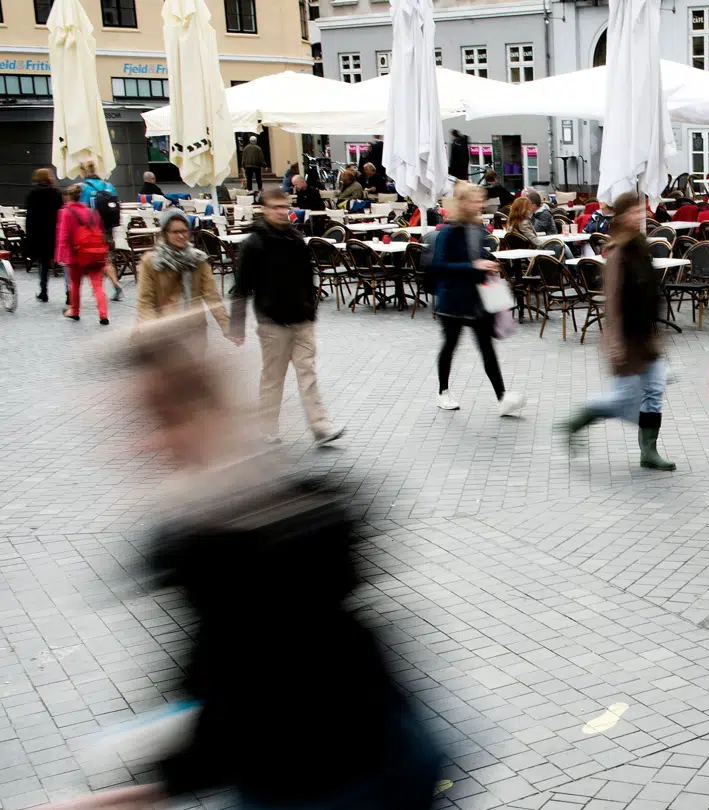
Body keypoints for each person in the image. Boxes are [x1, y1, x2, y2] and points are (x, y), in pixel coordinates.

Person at [56, 310, 439, 810]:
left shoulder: (248, 536)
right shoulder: (226, 524)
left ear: (205, 411)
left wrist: (154, 786)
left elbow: (263, 695)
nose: (136, 446)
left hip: (330, 783)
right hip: (336, 765)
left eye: (157, 420)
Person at [561, 192, 676, 471]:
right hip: (627, 337)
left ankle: (649, 451)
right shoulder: (618, 252)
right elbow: (612, 301)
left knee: (654, 390)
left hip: (646, 335)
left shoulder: (640, 246)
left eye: (641, 211)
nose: (640, 216)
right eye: (634, 212)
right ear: (622, 216)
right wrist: (616, 342)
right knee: (621, 400)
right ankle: (578, 420)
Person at [229, 188, 344, 445]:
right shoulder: (254, 244)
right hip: (273, 323)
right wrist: (236, 326)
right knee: (273, 378)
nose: (282, 212)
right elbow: (241, 287)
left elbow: (307, 275)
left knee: (308, 375)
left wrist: (310, 308)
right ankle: (268, 428)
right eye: (276, 207)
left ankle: (320, 427)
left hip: (301, 319)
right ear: (264, 209)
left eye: (285, 207)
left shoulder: (295, 239)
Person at [427, 181, 525, 417]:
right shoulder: (448, 232)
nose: (480, 205)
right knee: (450, 345)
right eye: (475, 201)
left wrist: (487, 263)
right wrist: (473, 265)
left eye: (481, 200)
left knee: (486, 347)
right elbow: (439, 266)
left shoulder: (478, 229)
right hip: (452, 301)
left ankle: (502, 398)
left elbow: (477, 256)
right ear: (463, 203)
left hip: (476, 299)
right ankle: (443, 391)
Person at [136, 209, 232, 338]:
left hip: (194, 331)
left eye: (184, 231)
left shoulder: (198, 260)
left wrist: (227, 327)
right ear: (165, 233)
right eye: (175, 232)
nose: (181, 236)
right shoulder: (151, 262)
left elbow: (212, 297)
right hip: (164, 332)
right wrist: (152, 330)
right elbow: (145, 302)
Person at [55, 184, 111, 325]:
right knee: (98, 286)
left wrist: (60, 256)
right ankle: (103, 315)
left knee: (75, 284)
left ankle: (75, 311)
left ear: (68, 197)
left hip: (75, 254)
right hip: (95, 253)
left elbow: (63, 236)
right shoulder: (92, 211)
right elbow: (100, 232)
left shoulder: (66, 212)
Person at [77, 162, 123, 302]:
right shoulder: (108, 186)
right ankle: (113, 284)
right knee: (106, 257)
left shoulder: (82, 188)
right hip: (108, 228)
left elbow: (81, 210)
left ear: (83, 172)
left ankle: (100, 287)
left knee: (96, 259)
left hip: (92, 229)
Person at [24, 168, 62, 303]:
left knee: (43, 263)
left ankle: (43, 291)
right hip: (55, 232)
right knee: (63, 261)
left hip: (39, 234)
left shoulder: (32, 194)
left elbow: (29, 217)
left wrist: (29, 236)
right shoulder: (56, 193)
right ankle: (69, 294)